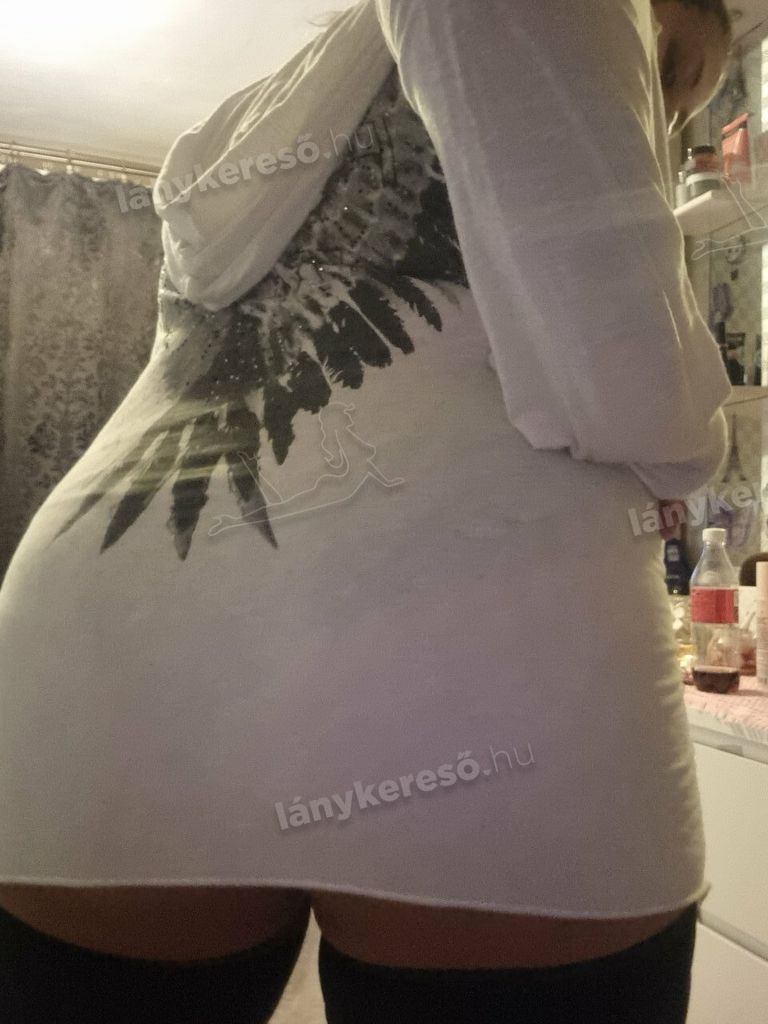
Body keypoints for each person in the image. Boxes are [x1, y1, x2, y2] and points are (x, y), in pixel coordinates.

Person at [0, 0, 734, 1021]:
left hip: (104, 635)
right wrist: (699, 442)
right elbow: (627, 386)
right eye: (675, 71)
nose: (665, 105)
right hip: (472, 649)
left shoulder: (266, 123)